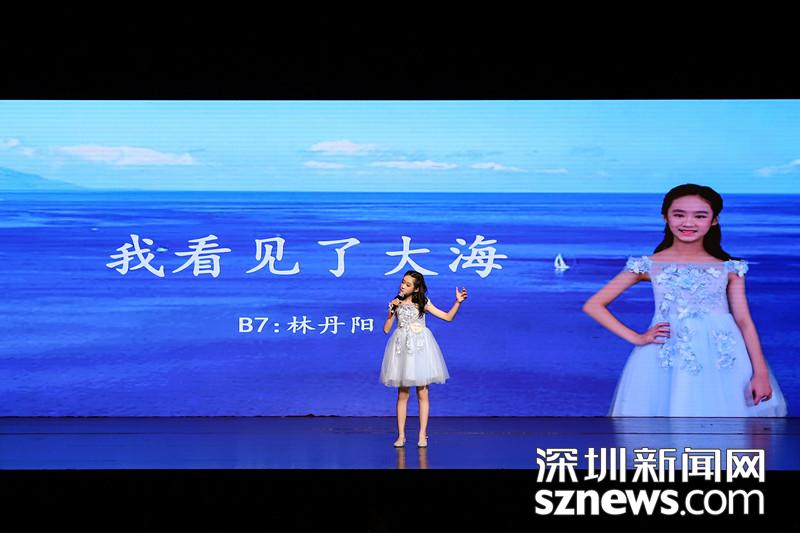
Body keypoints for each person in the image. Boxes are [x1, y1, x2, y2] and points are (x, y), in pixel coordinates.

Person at [582, 183, 787, 417]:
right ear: (665, 217)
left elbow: (744, 321)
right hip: (665, 358)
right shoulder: (648, 265)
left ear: (714, 220)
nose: (688, 223)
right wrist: (637, 337)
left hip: (724, 360)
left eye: (700, 216)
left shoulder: (730, 268)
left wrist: (760, 373)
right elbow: (594, 305)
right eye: (679, 215)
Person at [380, 270, 468, 447]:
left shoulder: (423, 302)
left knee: (423, 393)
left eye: (407, 284)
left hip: (420, 350)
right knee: (402, 394)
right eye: (403, 282)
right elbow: (386, 329)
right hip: (402, 351)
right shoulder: (396, 303)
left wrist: (458, 302)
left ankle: (422, 435)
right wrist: (391, 311)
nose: (403, 286)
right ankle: (401, 436)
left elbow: (447, 317)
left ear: (416, 288)